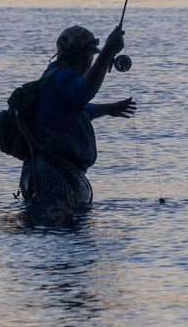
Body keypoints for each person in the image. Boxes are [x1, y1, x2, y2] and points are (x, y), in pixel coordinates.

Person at [19, 24, 136, 212]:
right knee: (65, 228)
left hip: (41, 172)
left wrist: (109, 109)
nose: (91, 59)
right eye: (92, 54)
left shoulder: (54, 75)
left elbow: (77, 110)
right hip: (53, 175)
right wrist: (108, 51)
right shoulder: (62, 77)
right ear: (82, 55)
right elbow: (83, 92)